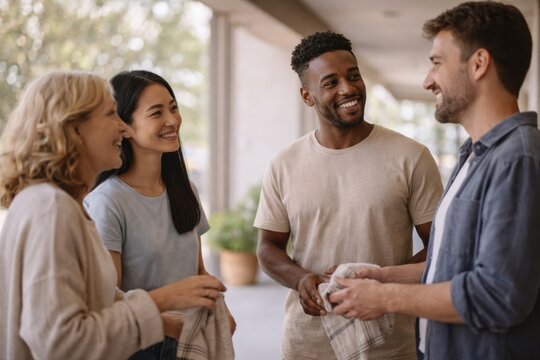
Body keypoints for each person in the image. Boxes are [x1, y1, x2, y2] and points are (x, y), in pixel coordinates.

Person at [329, 2, 540, 359]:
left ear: (479, 64)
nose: (428, 80)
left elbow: (498, 294)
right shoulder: (474, 155)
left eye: (437, 63)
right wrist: (384, 277)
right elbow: (457, 266)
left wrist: (383, 299)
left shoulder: (517, 160)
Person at [0, 71, 226, 360]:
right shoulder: (51, 209)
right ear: (74, 128)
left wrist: (166, 320)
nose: (122, 127)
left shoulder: (54, 203)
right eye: (110, 114)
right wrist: (163, 300)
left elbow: (97, 298)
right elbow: (60, 342)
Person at [254, 31, 443, 360]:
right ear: (307, 95)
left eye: (353, 76)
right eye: (330, 82)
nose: (348, 88)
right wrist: (301, 280)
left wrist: (380, 285)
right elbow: (268, 247)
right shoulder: (284, 164)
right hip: (307, 344)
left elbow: (441, 246)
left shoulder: (411, 156)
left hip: (390, 345)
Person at [84, 70, 236, 360]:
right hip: (142, 344)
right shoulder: (107, 202)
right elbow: (109, 299)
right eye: (157, 113)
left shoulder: (184, 188)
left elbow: (197, 271)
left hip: (192, 337)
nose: (172, 120)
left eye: (173, 107)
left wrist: (222, 313)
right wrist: (166, 323)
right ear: (124, 126)